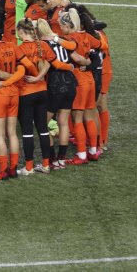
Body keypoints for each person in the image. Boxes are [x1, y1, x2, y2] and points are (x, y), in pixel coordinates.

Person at [0, 24, 38, 180]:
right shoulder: (12, 45)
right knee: (12, 133)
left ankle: (3, 170)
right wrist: (37, 76)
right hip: (14, 93)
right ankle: (13, 168)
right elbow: (28, 65)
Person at [14, 18, 75, 175]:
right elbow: (53, 64)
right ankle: (46, 165)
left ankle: (29, 167)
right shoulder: (43, 46)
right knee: (43, 129)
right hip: (43, 92)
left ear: (22, 32)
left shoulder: (20, 49)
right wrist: (70, 67)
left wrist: (35, 77)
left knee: (27, 131)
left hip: (27, 93)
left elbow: (27, 66)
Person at [59, 9, 102, 164]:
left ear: (67, 26)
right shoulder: (86, 35)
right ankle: (93, 151)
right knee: (89, 116)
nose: (61, 29)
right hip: (90, 80)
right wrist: (89, 60)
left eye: (62, 26)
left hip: (78, 80)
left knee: (77, 118)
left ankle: (82, 155)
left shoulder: (69, 38)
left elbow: (71, 52)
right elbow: (99, 45)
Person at [35, 19, 80, 169]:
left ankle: (52, 159)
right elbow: (74, 52)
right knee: (63, 121)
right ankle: (61, 159)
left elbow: (46, 66)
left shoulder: (42, 44)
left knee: (42, 122)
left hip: (55, 85)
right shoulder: (60, 39)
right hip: (70, 83)